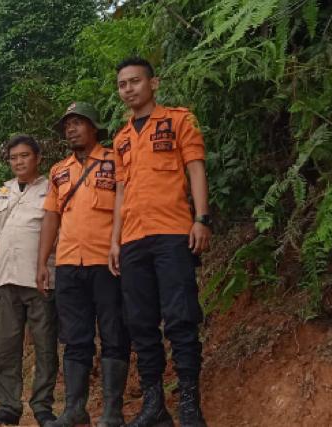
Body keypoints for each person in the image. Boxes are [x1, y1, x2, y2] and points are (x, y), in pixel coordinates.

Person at [110, 57, 210, 427]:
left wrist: (201, 218)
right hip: (133, 239)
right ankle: (154, 404)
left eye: (135, 81)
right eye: (122, 84)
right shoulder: (120, 138)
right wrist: (115, 241)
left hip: (173, 233)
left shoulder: (179, 120)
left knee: (181, 318)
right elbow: (121, 191)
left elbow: (196, 168)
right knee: (140, 323)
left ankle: (189, 403)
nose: (129, 89)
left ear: (154, 83)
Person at [36, 102, 131, 427]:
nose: (71, 129)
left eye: (78, 123)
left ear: (94, 127)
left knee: (114, 333)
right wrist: (42, 262)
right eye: (67, 125)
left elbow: (125, 206)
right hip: (67, 265)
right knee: (75, 338)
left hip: (107, 262)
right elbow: (51, 217)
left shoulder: (115, 159)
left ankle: (112, 412)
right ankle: (75, 409)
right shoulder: (58, 171)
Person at [0, 135, 58, 426]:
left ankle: (43, 407)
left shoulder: (51, 188)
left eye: (24, 156)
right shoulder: (1, 193)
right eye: (13, 157)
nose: (19, 162)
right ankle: (8, 407)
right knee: (6, 347)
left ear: (37, 157)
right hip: (5, 280)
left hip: (41, 280)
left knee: (45, 346)